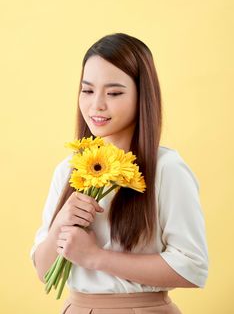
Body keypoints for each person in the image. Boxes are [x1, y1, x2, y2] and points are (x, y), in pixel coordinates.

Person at [30, 32, 209, 314]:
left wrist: (96, 257)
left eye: (113, 93)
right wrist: (60, 224)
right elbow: (43, 271)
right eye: (87, 90)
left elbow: (192, 268)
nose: (96, 105)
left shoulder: (166, 168)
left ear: (142, 96)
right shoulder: (69, 169)